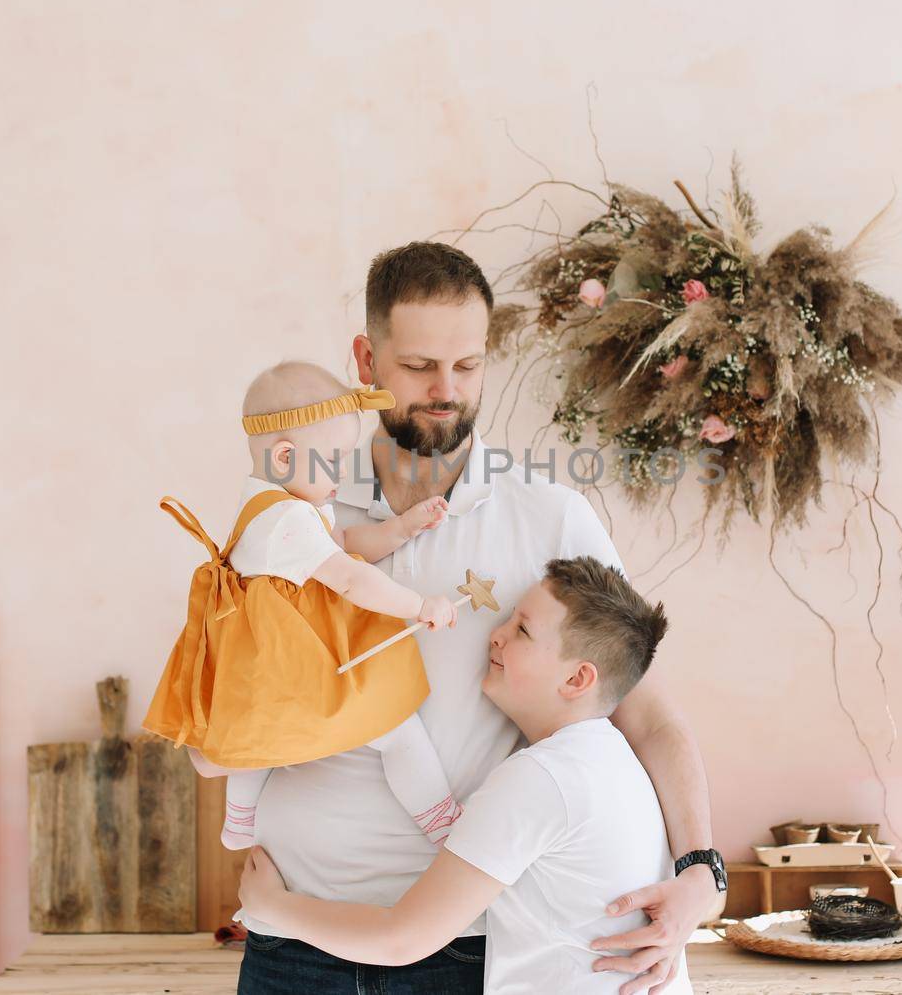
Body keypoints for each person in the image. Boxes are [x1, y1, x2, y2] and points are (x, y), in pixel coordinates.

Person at [237, 242, 722, 995]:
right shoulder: (297, 506)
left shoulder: (549, 517)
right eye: (420, 365)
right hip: (289, 938)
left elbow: (648, 715)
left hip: (462, 950)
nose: (446, 389)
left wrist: (702, 869)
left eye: (468, 366)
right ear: (366, 359)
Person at [239, 556, 694, 995]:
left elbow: (403, 939)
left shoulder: (542, 779)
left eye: (522, 630)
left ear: (577, 679)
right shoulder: (612, 762)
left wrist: (272, 906)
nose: (496, 636)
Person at [142, 360, 466, 847]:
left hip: (273, 669)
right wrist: (419, 605)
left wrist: (399, 529)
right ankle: (439, 817)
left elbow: (344, 544)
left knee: (264, 742)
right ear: (285, 457)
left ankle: (241, 818)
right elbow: (350, 577)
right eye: (334, 460)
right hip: (303, 664)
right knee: (396, 723)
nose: (344, 472)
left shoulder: (276, 510)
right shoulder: (287, 521)